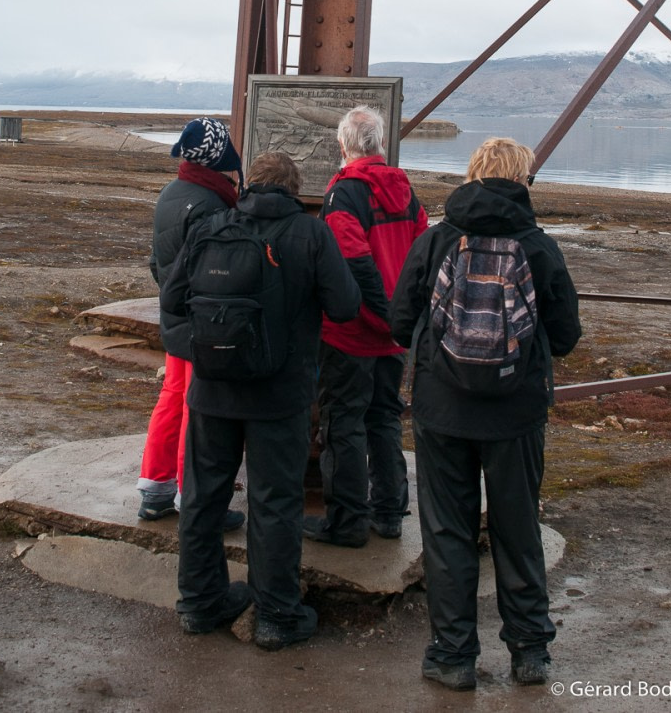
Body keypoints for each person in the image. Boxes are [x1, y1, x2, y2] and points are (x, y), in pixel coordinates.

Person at [390, 137, 582, 690]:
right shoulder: (539, 247)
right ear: (523, 180)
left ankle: (452, 658)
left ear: (472, 174)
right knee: (517, 527)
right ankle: (529, 654)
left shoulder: (436, 240)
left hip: (441, 410)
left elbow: (400, 321)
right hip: (515, 415)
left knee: (447, 531)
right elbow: (566, 336)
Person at [160, 150, 361, 649]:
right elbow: (345, 305)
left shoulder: (211, 226)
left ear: (249, 183)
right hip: (281, 394)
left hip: (212, 391)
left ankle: (199, 604)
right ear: (293, 188)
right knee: (276, 503)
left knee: (205, 498)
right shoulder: (311, 233)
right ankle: (276, 616)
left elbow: (171, 299)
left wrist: (207, 342)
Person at [304, 105, 428, 548]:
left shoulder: (344, 194)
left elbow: (354, 264)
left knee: (344, 425)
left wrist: (382, 317)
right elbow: (419, 261)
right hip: (394, 336)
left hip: (354, 334)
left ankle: (348, 522)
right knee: (384, 418)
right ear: (379, 144)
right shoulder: (405, 190)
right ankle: (390, 511)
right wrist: (401, 321)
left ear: (343, 145)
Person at [136, 116, 245, 531]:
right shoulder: (211, 204)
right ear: (218, 156)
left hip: (175, 315)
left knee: (173, 398)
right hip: (202, 320)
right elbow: (210, 269)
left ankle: (156, 490)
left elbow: (157, 262)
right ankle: (193, 498)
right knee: (196, 407)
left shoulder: (171, 194)